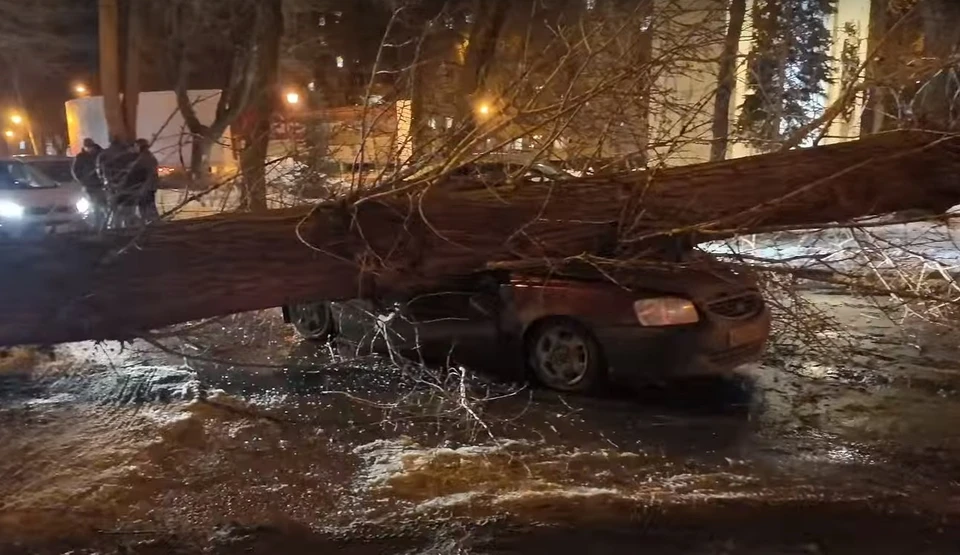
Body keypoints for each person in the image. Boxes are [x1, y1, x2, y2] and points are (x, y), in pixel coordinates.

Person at [96, 136, 141, 228]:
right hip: (128, 186)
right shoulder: (130, 155)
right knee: (129, 209)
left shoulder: (103, 155)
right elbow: (136, 171)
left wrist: (105, 181)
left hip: (111, 186)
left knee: (115, 209)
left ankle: (115, 228)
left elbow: (99, 170)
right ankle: (129, 228)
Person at [72, 138, 106, 229]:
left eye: (90, 146)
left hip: (102, 184)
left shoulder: (101, 154)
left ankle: (103, 224)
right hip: (90, 185)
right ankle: (97, 224)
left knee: (103, 205)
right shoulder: (81, 157)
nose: (90, 149)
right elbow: (76, 171)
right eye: (88, 147)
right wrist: (83, 181)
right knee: (95, 205)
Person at [134, 138, 160, 222]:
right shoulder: (150, 156)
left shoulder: (142, 158)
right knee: (150, 206)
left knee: (146, 208)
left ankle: (152, 224)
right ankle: (153, 223)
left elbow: (140, 173)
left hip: (145, 187)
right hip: (151, 186)